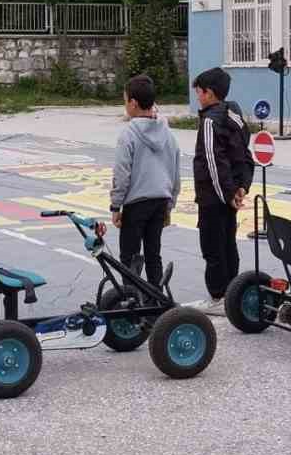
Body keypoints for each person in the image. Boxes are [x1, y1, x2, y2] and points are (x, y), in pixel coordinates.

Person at [191, 68, 255, 315]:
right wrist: (241, 187)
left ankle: (219, 296)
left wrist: (227, 194)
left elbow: (212, 162)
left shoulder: (209, 121)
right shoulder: (235, 113)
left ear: (209, 93)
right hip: (230, 193)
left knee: (212, 246)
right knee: (228, 242)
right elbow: (243, 154)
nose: (198, 96)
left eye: (199, 92)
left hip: (214, 195)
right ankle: (233, 292)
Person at [108, 75, 182, 287]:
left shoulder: (128, 135)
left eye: (125, 101)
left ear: (133, 103)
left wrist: (115, 206)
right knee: (153, 255)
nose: (125, 106)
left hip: (137, 203)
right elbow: (175, 173)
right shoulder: (168, 135)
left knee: (129, 258)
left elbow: (122, 174)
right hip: (160, 201)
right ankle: (157, 304)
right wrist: (170, 205)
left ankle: (133, 304)